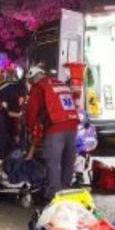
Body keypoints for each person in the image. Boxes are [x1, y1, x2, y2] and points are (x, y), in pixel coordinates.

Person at [24, 66, 80, 200]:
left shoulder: (39, 87)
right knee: (68, 159)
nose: (31, 84)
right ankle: (66, 190)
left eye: (30, 81)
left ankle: (54, 194)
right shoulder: (60, 84)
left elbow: (32, 111)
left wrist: (29, 127)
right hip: (72, 125)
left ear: (34, 78)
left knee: (52, 161)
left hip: (56, 127)